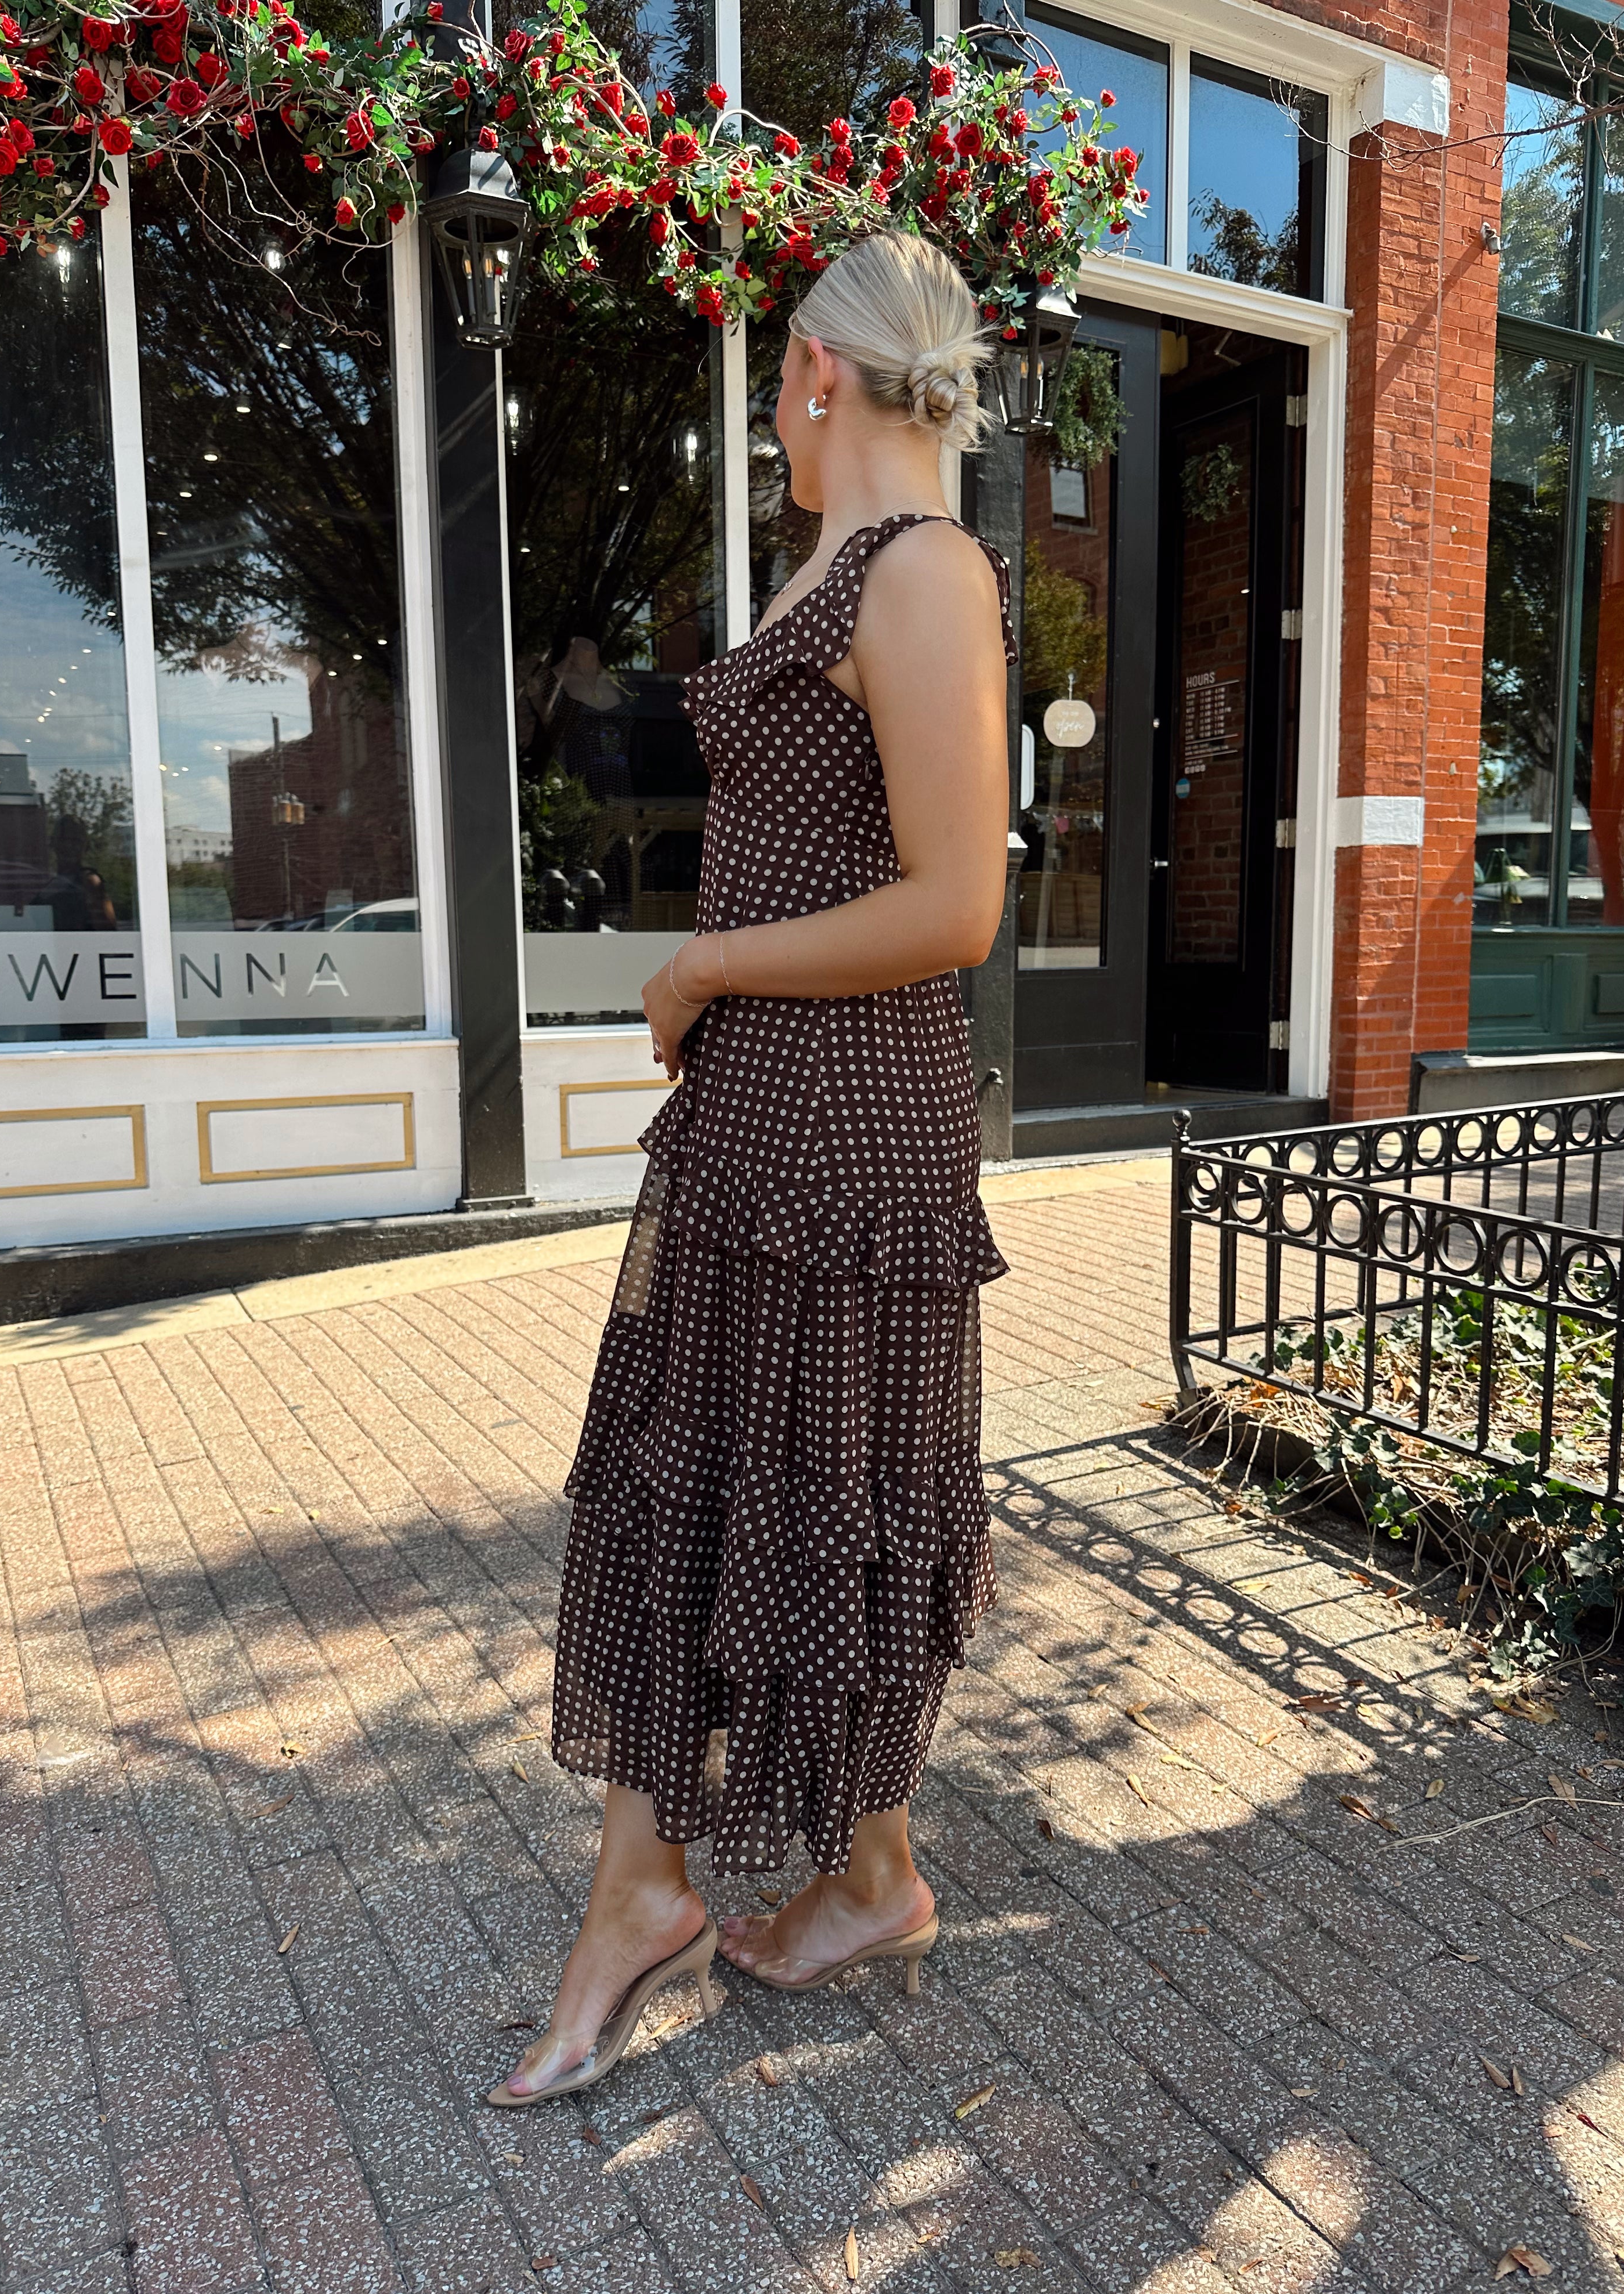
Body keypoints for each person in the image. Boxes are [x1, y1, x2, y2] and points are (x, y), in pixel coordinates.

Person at [491, 229, 1016, 2105]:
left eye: (774, 388)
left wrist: (705, 961)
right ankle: (682, 1880)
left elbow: (958, 907)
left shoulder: (928, 567)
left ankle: (847, 1875)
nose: (769, 419)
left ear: (810, 371)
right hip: (760, 1123)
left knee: (804, 1494)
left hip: (848, 1129)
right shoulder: (845, 565)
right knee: (701, 1481)